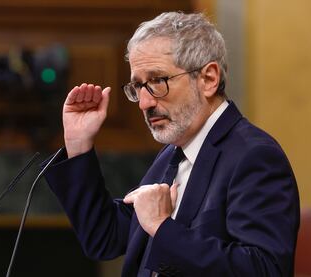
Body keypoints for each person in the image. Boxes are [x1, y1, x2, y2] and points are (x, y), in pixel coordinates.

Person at [44, 12, 300, 276]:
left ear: (208, 79)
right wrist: (78, 143)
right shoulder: (172, 153)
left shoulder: (255, 156)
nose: (144, 103)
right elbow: (105, 238)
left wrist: (162, 227)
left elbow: (265, 270)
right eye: (138, 86)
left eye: (157, 80)